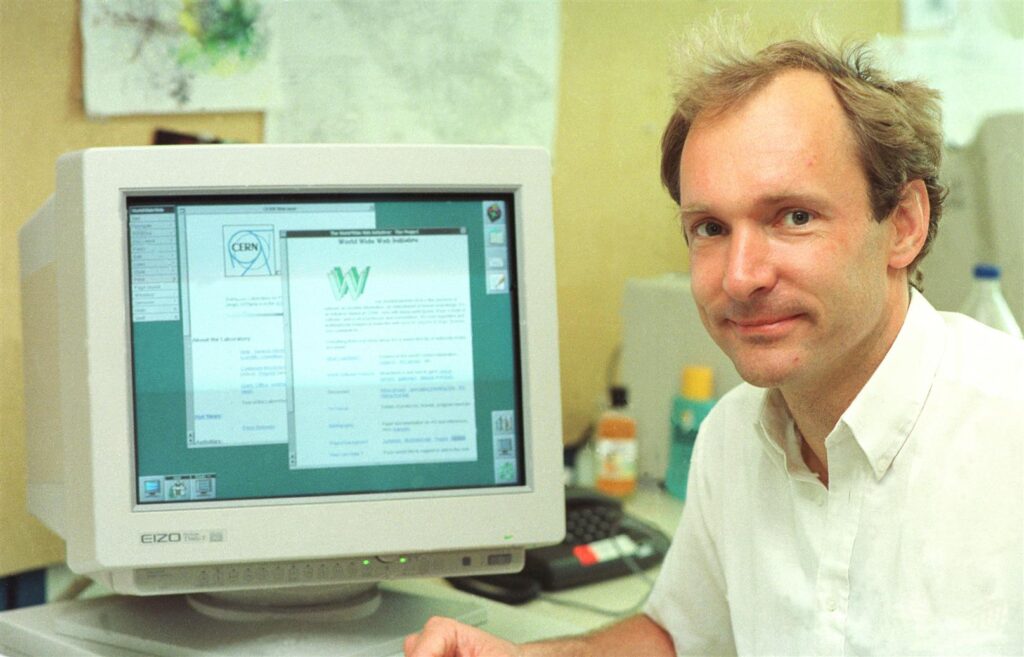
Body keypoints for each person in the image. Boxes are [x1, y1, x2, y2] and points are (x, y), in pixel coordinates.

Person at [404, 28, 1024, 657]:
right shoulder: (733, 438)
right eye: (710, 228)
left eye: (794, 216)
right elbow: (679, 637)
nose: (739, 277)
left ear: (904, 225)